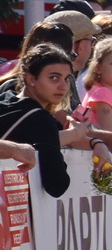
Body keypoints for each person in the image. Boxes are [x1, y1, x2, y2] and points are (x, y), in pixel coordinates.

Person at [0, 45, 76, 197]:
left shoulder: (4, 99)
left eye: (67, 78)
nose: (63, 86)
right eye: (53, 77)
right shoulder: (41, 120)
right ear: (31, 79)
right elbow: (57, 185)